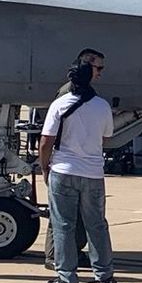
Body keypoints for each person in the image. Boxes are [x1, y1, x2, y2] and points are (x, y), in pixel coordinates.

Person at [39, 60, 119, 283]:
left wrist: (45, 167)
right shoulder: (102, 106)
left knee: (63, 225)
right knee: (97, 225)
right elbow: (106, 137)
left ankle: (66, 277)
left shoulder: (59, 104)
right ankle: (104, 275)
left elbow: (46, 141)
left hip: (64, 170)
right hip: (93, 172)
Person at [42, 49, 104, 270]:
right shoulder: (69, 93)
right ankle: (54, 255)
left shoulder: (86, 93)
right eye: (98, 68)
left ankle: (71, 253)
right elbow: (50, 135)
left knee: (72, 216)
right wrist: (46, 166)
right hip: (66, 164)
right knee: (61, 217)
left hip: (74, 166)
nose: (100, 73)